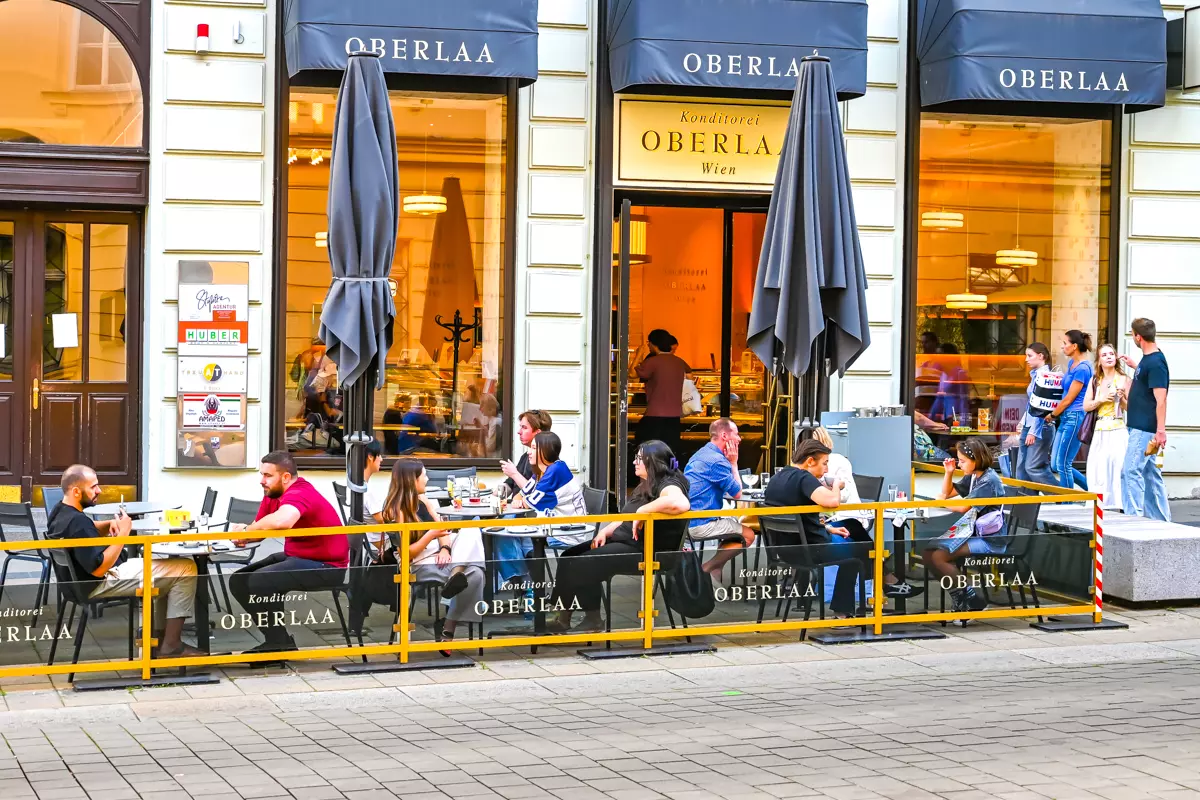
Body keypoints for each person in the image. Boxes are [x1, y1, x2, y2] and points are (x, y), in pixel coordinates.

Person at [47, 465, 202, 657]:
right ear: (76, 491)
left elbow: (88, 528)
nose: (99, 491)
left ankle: (156, 641)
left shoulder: (60, 512)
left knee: (168, 571)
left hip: (75, 585)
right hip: (98, 583)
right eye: (93, 487)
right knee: (186, 568)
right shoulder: (78, 522)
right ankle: (171, 645)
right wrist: (123, 534)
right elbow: (98, 569)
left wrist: (109, 524)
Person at [545, 440, 691, 633]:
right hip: (627, 541)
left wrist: (643, 510)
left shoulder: (669, 483)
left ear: (653, 461)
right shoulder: (647, 483)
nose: (634, 462)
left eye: (639, 458)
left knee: (583, 563)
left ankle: (586, 619)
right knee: (569, 557)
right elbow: (627, 516)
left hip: (647, 551)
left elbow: (680, 503)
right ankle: (564, 617)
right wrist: (608, 530)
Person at [228, 451, 349, 656]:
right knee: (239, 580)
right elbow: (260, 530)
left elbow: (281, 521)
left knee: (262, 581)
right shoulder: (273, 494)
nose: (261, 481)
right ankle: (279, 641)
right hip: (299, 557)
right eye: (261, 474)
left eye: (267, 476)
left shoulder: (299, 492)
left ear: (285, 477)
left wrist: (248, 531)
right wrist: (245, 535)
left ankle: (277, 645)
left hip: (327, 566)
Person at [366, 459, 486, 645]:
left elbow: (442, 529)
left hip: (435, 554)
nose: (427, 479)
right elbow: (406, 554)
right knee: (476, 574)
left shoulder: (421, 500)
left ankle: (455, 581)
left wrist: (445, 547)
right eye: (424, 475)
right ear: (412, 479)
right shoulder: (396, 510)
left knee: (471, 530)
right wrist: (430, 535)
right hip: (416, 564)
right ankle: (448, 631)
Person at [763, 439, 870, 618]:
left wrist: (828, 527)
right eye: (825, 463)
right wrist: (836, 484)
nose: (826, 469)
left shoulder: (778, 476)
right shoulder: (804, 478)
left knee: (853, 525)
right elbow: (833, 502)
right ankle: (845, 610)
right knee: (861, 551)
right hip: (810, 549)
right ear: (810, 461)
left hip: (785, 548)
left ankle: (885, 581)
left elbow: (797, 519)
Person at [811, 427, 920, 599]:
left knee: (857, 536)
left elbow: (843, 497)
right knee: (860, 548)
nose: (825, 467)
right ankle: (882, 583)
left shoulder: (838, 462)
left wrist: (828, 488)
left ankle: (882, 583)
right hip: (822, 523)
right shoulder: (802, 472)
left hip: (843, 515)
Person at [922, 438, 1007, 614]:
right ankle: (962, 598)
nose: (959, 464)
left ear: (976, 459)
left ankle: (972, 599)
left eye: (962, 461)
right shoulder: (975, 476)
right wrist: (949, 472)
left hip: (990, 539)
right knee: (928, 553)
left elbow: (962, 507)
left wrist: (940, 501)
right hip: (972, 532)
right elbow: (947, 493)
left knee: (938, 557)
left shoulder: (989, 480)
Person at [682, 419, 755, 581]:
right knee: (749, 535)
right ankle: (706, 568)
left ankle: (716, 570)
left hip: (687, 521)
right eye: (736, 434)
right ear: (724, 435)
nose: (739, 439)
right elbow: (737, 493)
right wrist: (734, 463)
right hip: (700, 524)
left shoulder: (701, 453)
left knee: (733, 532)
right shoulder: (718, 462)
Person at [1119, 318, 1170, 521]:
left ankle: (1133, 520)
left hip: (1144, 428)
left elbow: (1161, 399)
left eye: (1132, 334)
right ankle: (1162, 522)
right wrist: (1135, 365)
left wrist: (1160, 430)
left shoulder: (1156, 363)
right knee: (1150, 475)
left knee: (1130, 471)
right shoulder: (1147, 361)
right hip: (1141, 427)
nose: (1133, 338)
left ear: (1138, 336)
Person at [1083, 344, 1130, 511]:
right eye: (1104, 355)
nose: (1109, 357)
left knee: (1119, 466)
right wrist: (1101, 399)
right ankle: (1100, 504)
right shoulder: (1096, 380)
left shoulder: (1124, 379)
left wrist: (1122, 398)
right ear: (1099, 360)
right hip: (1100, 428)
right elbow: (1086, 406)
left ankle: (1121, 504)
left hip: (1118, 427)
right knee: (1099, 468)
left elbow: (1130, 407)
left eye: (1112, 354)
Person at [633, 329, 689, 464]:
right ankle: (670, 480)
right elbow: (690, 379)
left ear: (653, 344)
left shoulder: (652, 361)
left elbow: (631, 374)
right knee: (670, 451)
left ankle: (649, 480)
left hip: (655, 414)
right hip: (675, 415)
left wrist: (638, 354)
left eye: (649, 343)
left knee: (647, 450)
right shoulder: (680, 362)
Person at [1049, 330, 1093, 490]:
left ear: (1074, 346)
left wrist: (1053, 414)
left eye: (1065, 343)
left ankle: (1067, 503)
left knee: (1063, 464)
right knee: (1055, 463)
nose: (1062, 347)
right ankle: (1091, 491)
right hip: (1066, 417)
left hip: (1075, 416)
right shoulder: (1071, 364)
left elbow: (1069, 399)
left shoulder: (1082, 368)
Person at [1014, 343, 1060, 489]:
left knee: (1034, 467)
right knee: (1022, 469)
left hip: (1040, 427)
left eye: (1030, 356)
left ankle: (1061, 498)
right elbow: (1032, 404)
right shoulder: (1035, 375)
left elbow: (1043, 408)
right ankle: (1025, 504)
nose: (1026, 359)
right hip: (1030, 425)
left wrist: (1034, 431)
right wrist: (1023, 422)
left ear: (1041, 356)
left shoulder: (1045, 377)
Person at [502, 409, 553, 497]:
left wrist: (514, 473)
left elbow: (536, 494)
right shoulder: (525, 456)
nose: (519, 432)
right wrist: (489, 498)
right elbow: (510, 484)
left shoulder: (546, 460)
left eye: (524, 427)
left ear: (538, 433)